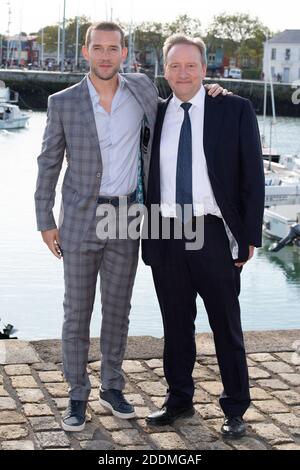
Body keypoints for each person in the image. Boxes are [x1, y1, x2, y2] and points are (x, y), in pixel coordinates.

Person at [35, 22, 227, 433]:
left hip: (127, 217)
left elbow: (183, 97)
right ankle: (76, 393)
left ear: (125, 53)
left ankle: (112, 386)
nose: (105, 56)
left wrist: (214, 92)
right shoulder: (62, 102)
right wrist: (44, 220)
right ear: (85, 52)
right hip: (80, 219)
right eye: (97, 48)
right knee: (76, 311)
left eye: (113, 49)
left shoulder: (141, 91)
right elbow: (48, 163)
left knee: (118, 310)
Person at [142, 34, 265, 439]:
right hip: (166, 231)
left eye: (190, 65)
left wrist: (248, 237)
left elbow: (253, 178)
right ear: (164, 70)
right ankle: (178, 400)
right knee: (175, 324)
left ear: (204, 68)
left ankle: (235, 407)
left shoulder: (234, 109)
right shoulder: (154, 114)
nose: (183, 72)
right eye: (175, 66)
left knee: (225, 325)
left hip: (212, 231)